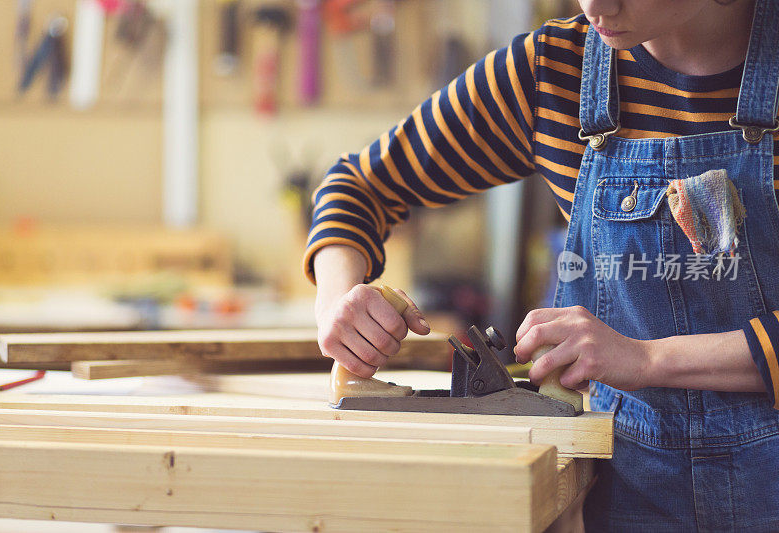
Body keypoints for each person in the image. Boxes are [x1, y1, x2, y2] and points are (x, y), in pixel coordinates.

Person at [304, 0, 779, 529]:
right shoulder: (555, 71)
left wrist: (646, 360)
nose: (596, 5)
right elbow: (358, 186)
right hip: (631, 498)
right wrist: (338, 304)